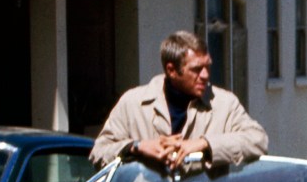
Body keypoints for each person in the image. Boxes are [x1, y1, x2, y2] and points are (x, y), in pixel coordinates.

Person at [90, 30, 268, 170]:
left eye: (208, 67)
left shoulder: (224, 104)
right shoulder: (133, 102)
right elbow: (98, 153)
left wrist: (204, 144)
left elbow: (258, 141)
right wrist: (137, 147)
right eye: (197, 69)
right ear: (171, 70)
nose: (205, 75)